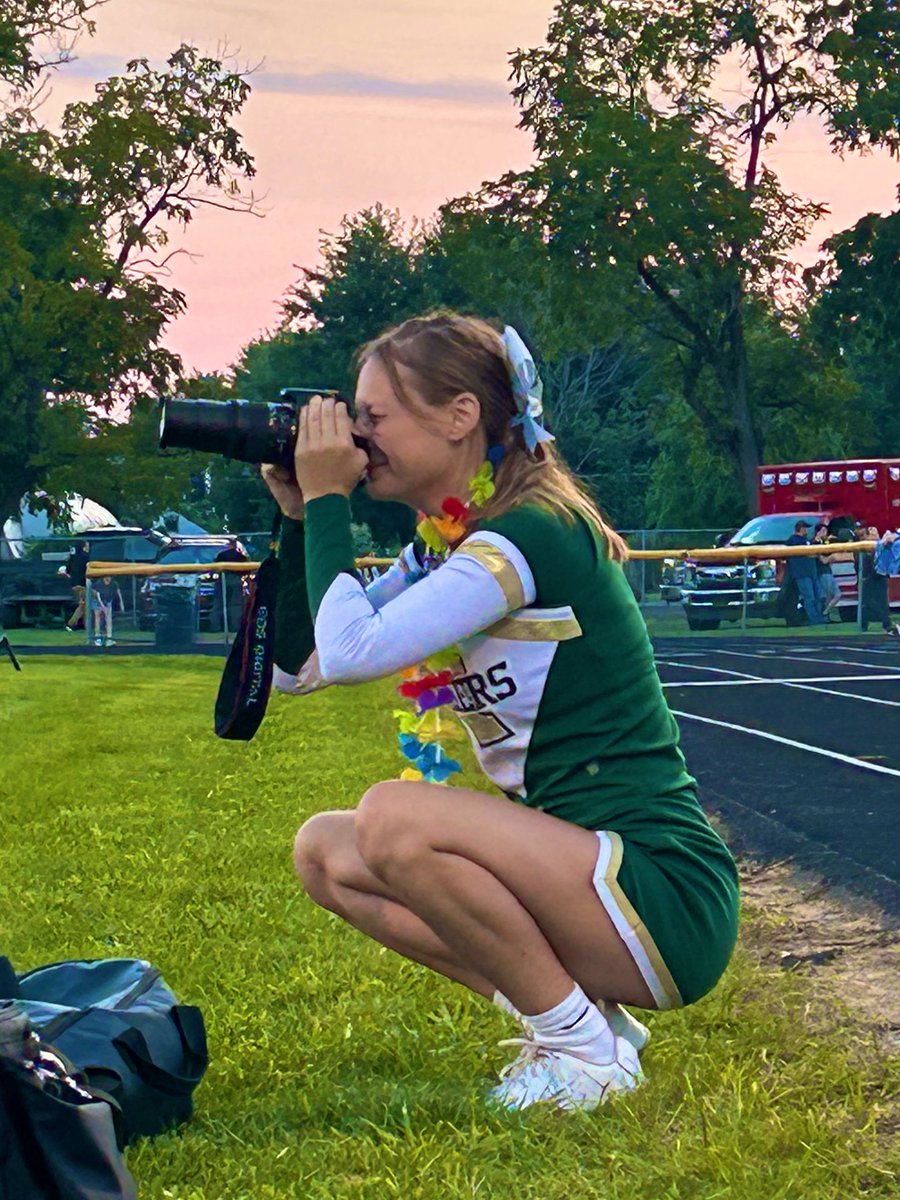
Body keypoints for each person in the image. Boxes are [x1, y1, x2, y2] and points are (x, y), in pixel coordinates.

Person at [261, 312, 740, 1114]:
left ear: (459, 415)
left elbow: (349, 654)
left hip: (659, 892)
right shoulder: (451, 539)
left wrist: (331, 499)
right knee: (327, 850)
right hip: (587, 880)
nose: (355, 435)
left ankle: (582, 1052)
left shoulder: (527, 536)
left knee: (393, 818)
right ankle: (586, 1024)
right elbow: (300, 669)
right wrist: (300, 520)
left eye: (374, 417)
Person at [858, 525, 900, 637]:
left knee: (882, 602)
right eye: (873, 531)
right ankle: (864, 625)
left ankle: (887, 625)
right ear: (868, 535)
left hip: (881, 577)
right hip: (869, 578)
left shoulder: (882, 543)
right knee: (868, 602)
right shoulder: (866, 545)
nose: (876, 533)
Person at [784, 520, 825, 625]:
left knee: (818, 596)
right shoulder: (793, 540)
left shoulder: (806, 540)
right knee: (809, 597)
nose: (806, 530)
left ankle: (819, 617)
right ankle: (814, 620)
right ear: (800, 528)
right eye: (805, 528)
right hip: (802, 573)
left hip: (812, 572)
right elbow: (807, 553)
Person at [213, 538, 248, 632]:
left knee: (218, 604)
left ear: (229, 545)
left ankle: (215, 627)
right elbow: (246, 569)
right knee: (235, 604)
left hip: (223, 579)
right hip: (236, 580)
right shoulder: (240, 556)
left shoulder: (221, 555)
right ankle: (235, 627)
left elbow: (215, 567)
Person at [812, 522, 841, 619]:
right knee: (828, 594)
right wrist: (831, 558)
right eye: (823, 531)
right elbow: (823, 560)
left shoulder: (824, 543)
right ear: (818, 532)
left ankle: (825, 612)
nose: (825, 533)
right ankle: (823, 614)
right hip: (822, 572)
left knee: (837, 594)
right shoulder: (814, 544)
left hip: (828, 571)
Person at [61, 541, 91, 631]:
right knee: (83, 605)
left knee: (84, 605)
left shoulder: (73, 558)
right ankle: (70, 624)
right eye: (87, 545)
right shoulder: (86, 557)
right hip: (83, 585)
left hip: (74, 585)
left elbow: (67, 570)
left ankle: (86, 626)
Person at [90, 575, 123, 646]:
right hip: (97, 600)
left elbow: (118, 592)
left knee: (108, 619)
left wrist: (121, 604)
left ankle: (109, 638)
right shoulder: (99, 583)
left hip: (108, 601)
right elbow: (98, 596)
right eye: (107, 577)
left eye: (110, 577)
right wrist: (102, 606)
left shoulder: (114, 583)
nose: (109, 578)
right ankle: (97, 638)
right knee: (97, 618)